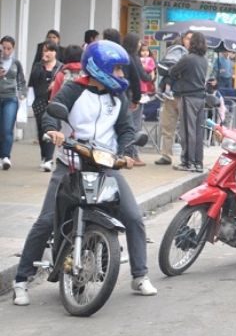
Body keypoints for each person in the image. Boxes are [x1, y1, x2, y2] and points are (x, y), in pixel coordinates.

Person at [12, 40, 157, 306]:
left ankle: (140, 275)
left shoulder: (118, 98)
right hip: (70, 164)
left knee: (134, 217)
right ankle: (21, 280)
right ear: (99, 67)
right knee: (46, 221)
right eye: (117, 70)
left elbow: (126, 129)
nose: (122, 76)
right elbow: (53, 113)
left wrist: (125, 151)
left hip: (104, 166)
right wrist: (53, 130)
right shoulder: (73, 89)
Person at [170, 31, 208, 173]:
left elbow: (173, 71)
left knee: (187, 131)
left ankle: (187, 162)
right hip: (200, 97)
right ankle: (198, 162)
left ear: (192, 43)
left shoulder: (188, 58)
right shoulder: (204, 60)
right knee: (198, 132)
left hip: (188, 96)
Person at [154, 32, 192, 166]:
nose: (189, 41)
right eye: (187, 38)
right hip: (170, 95)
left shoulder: (194, 57)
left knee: (185, 128)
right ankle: (166, 155)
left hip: (185, 96)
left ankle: (186, 156)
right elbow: (164, 69)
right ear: (183, 40)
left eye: (191, 39)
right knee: (167, 125)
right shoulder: (175, 53)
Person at [28, 40, 62, 172]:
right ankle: (44, 157)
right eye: (44, 50)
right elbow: (32, 81)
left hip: (54, 103)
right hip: (39, 103)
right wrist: (42, 63)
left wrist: (56, 84)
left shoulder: (60, 67)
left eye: (49, 50)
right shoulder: (37, 66)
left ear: (55, 52)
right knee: (41, 131)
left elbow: (65, 84)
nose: (46, 53)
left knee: (51, 129)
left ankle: (48, 159)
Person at [0, 35, 26, 171]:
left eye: (9, 48)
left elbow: (22, 80)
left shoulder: (16, 63)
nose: (6, 51)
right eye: (3, 48)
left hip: (11, 98)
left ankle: (5, 157)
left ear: (13, 48)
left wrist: (22, 95)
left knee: (6, 128)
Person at [122, 33, 148, 166]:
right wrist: (151, 75)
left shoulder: (122, 56)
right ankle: (132, 155)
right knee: (134, 126)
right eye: (138, 42)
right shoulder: (134, 58)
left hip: (124, 94)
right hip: (133, 95)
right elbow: (140, 77)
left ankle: (125, 153)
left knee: (126, 125)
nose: (140, 45)